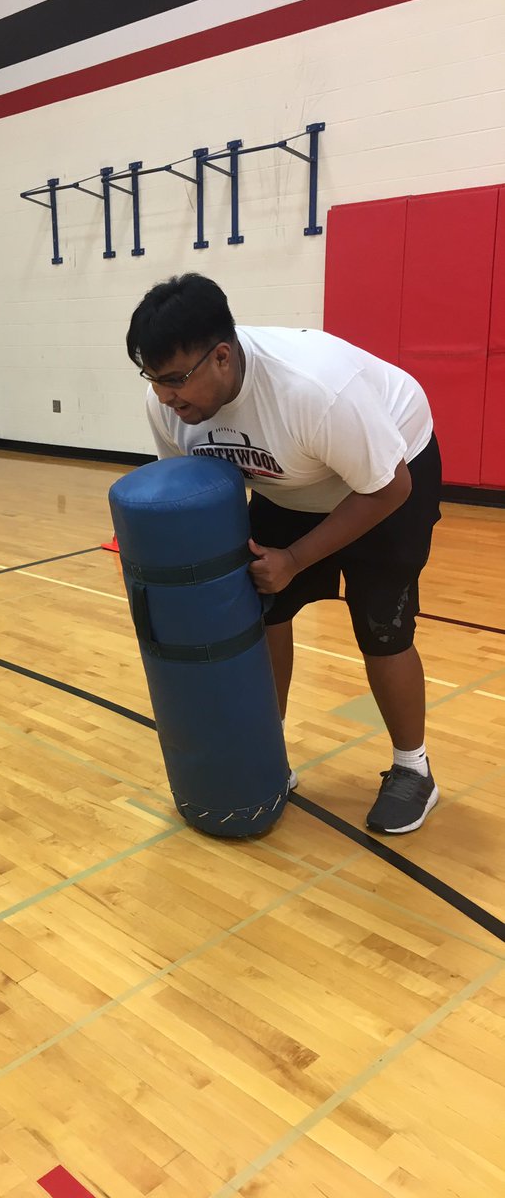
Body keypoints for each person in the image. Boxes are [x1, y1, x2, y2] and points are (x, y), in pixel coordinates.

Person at [126, 273, 442, 835]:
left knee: (383, 629)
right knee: (262, 611)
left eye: (175, 380)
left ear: (222, 357)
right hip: (289, 482)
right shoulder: (170, 404)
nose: (166, 397)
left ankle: (412, 769)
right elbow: (190, 489)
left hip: (389, 474)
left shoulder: (312, 390)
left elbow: (389, 487)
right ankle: (264, 750)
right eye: (154, 380)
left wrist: (294, 559)